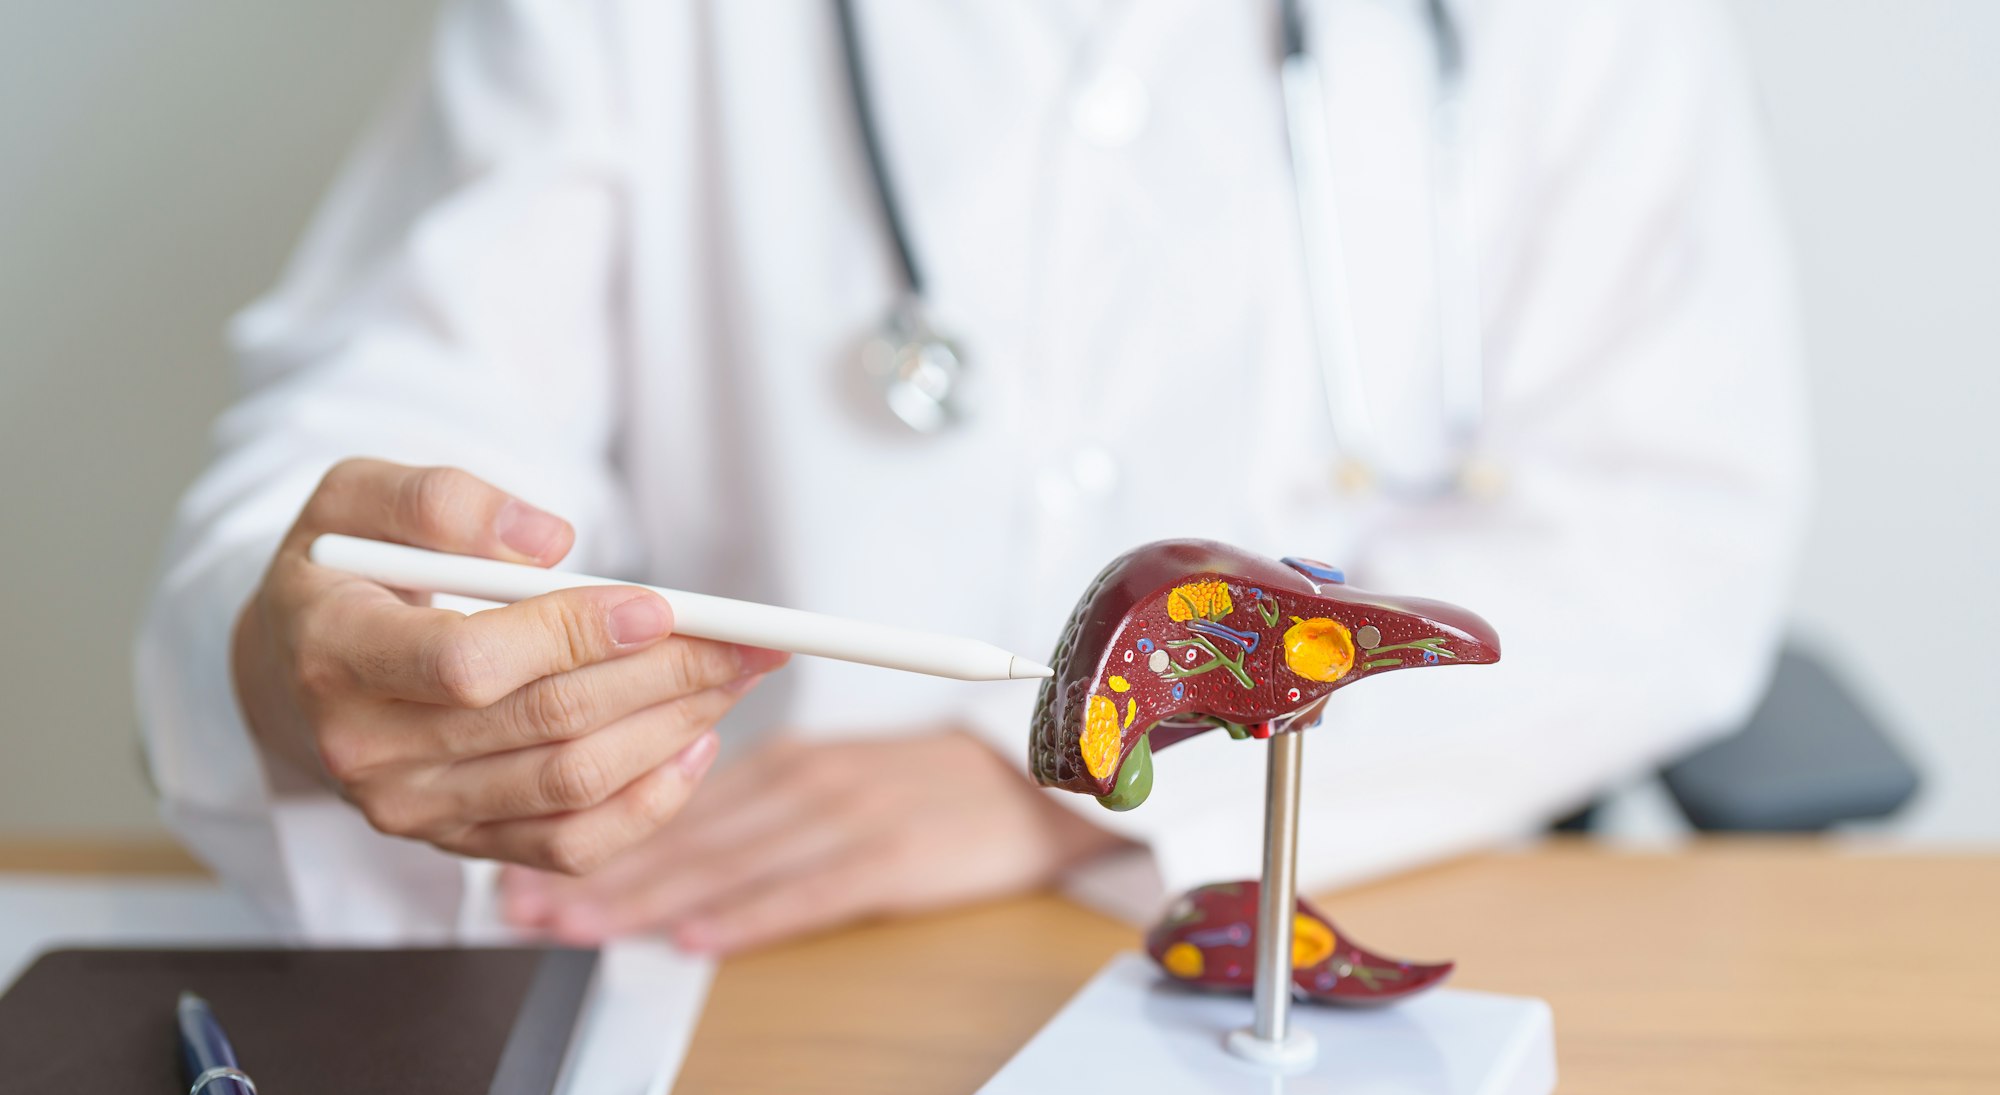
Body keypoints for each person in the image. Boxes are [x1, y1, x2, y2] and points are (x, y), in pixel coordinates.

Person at [137, 0, 1808, 947]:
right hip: (735, 972)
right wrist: (316, 660)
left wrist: (1053, 776)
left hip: (1357, 906)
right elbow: (377, 441)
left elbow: (1672, 535)